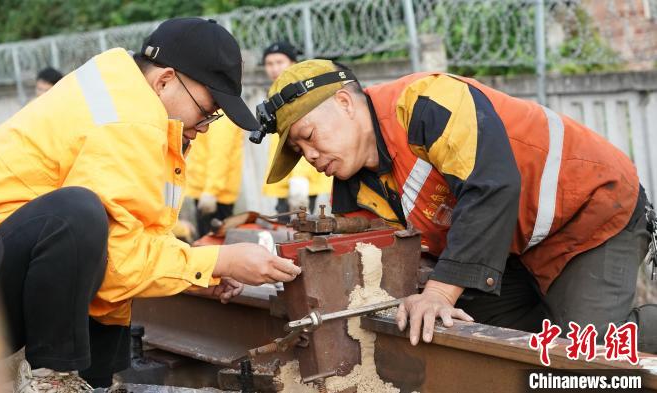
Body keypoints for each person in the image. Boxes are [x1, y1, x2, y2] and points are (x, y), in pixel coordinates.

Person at [0, 18, 301, 391]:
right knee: (76, 214)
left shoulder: (125, 95)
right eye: (208, 108)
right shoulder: (127, 120)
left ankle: (86, 380)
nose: (207, 124)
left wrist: (201, 275)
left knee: (96, 245)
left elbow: (130, 237)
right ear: (165, 80)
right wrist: (219, 260)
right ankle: (52, 379)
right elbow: (117, 262)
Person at [260, 59, 657, 353]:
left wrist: (438, 294)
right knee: (501, 344)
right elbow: (374, 261)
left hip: (588, 212)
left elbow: (491, 186)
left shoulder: (425, 103)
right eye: (299, 150)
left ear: (345, 103)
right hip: (511, 247)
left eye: (308, 136)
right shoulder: (351, 185)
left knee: (587, 351)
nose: (310, 155)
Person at [261, 42, 332, 216]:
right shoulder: (275, 92)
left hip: (302, 180)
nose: (274, 68)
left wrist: (300, 178)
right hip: (285, 178)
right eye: (269, 64)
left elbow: (304, 137)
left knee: (298, 230)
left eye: (279, 62)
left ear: (293, 63)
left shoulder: (300, 93)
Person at [186, 111, 244, 237]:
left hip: (215, 197)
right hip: (207, 192)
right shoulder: (212, 114)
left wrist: (211, 192)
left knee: (211, 245)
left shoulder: (221, 118)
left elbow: (219, 157)